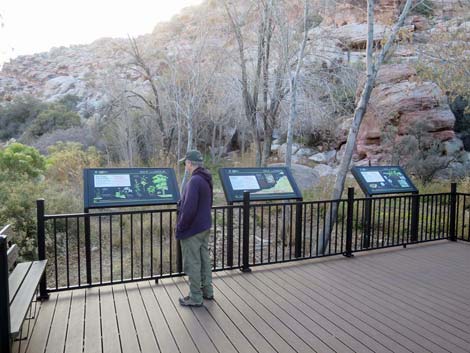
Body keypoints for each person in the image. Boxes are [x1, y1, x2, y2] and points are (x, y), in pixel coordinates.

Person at [176, 150, 214, 307]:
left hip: (193, 230)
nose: (185, 165)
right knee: (204, 260)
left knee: (193, 263)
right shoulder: (206, 178)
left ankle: (195, 297)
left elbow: (189, 209)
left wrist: (181, 227)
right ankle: (207, 291)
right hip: (204, 226)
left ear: (190, 164)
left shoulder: (194, 181)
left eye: (186, 162)